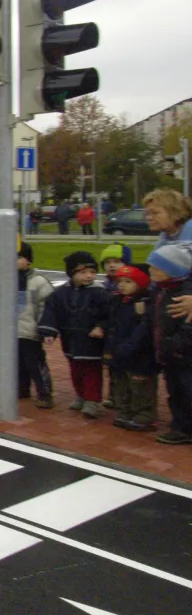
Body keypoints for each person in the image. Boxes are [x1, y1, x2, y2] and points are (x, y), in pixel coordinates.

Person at [39, 251, 112, 419]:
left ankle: (92, 400)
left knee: (92, 370)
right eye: (83, 272)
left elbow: (110, 314)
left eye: (92, 272)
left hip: (91, 341)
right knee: (75, 369)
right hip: (70, 339)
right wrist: (49, 330)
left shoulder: (100, 293)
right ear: (72, 273)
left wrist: (101, 327)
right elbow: (51, 312)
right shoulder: (60, 294)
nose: (89, 276)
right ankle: (81, 395)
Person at [103, 264, 157, 432]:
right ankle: (125, 410)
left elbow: (144, 330)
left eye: (128, 281)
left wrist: (130, 345)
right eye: (120, 281)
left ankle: (144, 414)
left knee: (140, 385)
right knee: (121, 383)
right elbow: (111, 325)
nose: (122, 285)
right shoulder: (116, 301)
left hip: (140, 354)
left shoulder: (145, 303)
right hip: (119, 351)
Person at [148, 244, 192, 445]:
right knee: (175, 393)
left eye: (156, 267)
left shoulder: (183, 296)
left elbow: (187, 328)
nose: (151, 271)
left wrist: (173, 346)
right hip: (171, 354)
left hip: (183, 355)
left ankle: (185, 427)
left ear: (172, 270)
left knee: (187, 392)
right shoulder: (164, 290)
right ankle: (180, 426)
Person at [142, 189, 192, 324]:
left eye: (155, 213)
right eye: (146, 213)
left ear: (176, 214)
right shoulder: (166, 238)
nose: (149, 217)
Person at [16, 242, 54, 408]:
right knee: (16, 363)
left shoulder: (38, 282)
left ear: (29, 261)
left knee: (35, 363)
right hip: (10, 332)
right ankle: (22, 388)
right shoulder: (2, 280)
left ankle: (44, 392)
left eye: (18, 257)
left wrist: (45, 328)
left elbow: (45, 306)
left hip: (30, 332)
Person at [98, 242, 133, 408]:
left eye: (117, 261)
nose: (112, 265)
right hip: (110, 334)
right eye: (107, 262)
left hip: (126, 333)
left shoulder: (131, 288)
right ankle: (114, 394)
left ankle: (128, 397)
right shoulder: (103, 288)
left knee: (128, 368)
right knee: (112, 366)